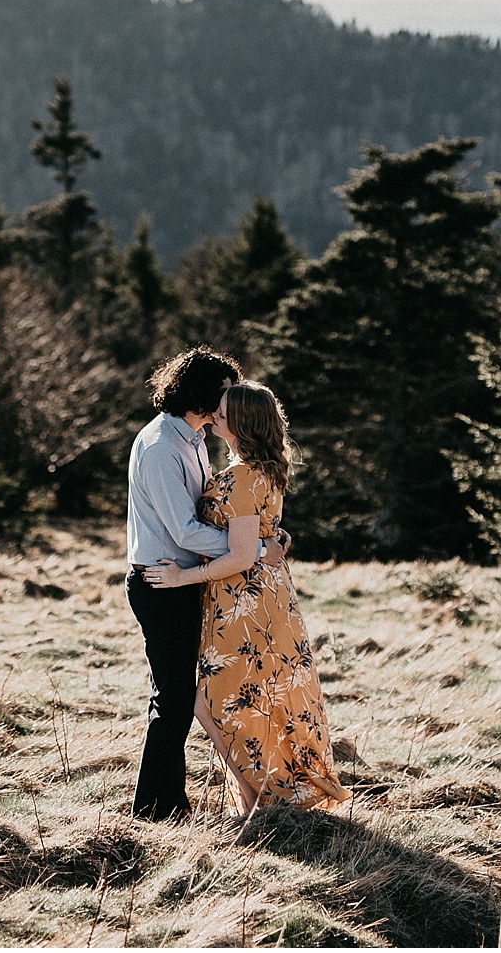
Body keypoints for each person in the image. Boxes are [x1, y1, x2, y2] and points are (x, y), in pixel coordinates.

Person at [143, 381, 349, 813]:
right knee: (254, 692)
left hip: (242, 601)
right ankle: (258, 789)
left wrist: (183, 577)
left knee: (208, 697)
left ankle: (257, 793)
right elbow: (254, 538)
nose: (214, 412)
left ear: (242, 421)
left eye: (224, 409)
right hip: (261, 595)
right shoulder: (264, 470)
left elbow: (238, 555)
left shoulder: (240, 479)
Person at [123, 347, 290, 821]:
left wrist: (257, 536)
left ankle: (223, 794)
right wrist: (256, 550)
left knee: (194, 694)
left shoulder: (194, 437)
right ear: (197, 394)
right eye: (222, 392)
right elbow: (185, 530)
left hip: (192, 579)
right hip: (163, 581)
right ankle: (156, 811)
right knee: (173, 698)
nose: (230, 400)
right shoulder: (160, 446)